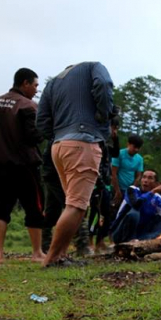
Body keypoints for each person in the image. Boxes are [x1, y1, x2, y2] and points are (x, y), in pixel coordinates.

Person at [36, 62, 114, 267]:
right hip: (83, 142)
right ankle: (51, 259)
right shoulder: (93, 67)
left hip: (59, 146)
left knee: (74, 204)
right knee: (76, 205)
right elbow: (104, 84)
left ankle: (59, 256)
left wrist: (58, 136)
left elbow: (42, 119)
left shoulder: (53, 82)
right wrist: (103, 115)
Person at [0, 67, 45, 265]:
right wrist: (47, 130)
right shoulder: (27, 106)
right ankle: (37, 252)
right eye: (35, 85)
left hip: (0, 166)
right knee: (34, 208)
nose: (36, 89)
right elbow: (32, 136)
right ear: (25, 83)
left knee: (1, 210)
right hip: (25, 166)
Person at [110, 169, 161, 243]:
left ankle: (146, 240)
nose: (145, 180)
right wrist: (152, 191)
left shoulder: (157, 198)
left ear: (156, 184)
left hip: (141, 235)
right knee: (134, 212)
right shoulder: (132, 190)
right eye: (144, 177)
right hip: (121, 233)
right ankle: (130, 240)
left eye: (150, 178)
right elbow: (136, 204)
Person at [111, 134, 144, 203]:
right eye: (134, 147)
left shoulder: (139, 159)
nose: (136, 150)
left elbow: (138, 176)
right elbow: (113, 173)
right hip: (116, 188)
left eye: (138, 148)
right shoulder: (119, 154)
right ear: (128, 144)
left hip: (129, 190)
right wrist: (117, 190)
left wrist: (132, 189)